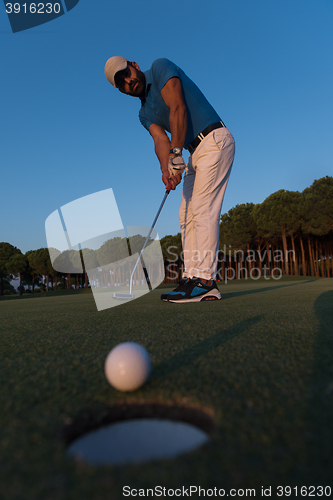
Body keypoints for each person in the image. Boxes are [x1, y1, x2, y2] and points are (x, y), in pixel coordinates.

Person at [104, 57, 235, 303]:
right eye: (121, 83)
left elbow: (178, 108)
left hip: (214, 139)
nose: (128, 81)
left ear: (134, 64)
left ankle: (206, 281)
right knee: (185, 213)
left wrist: (176, 155)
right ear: (120, 90)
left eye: (126, 73)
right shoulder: (143, 113)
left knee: (202, 209)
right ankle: (191, 278)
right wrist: (166, 170)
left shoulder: (160, 67)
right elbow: (160, 140)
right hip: (194, 153)